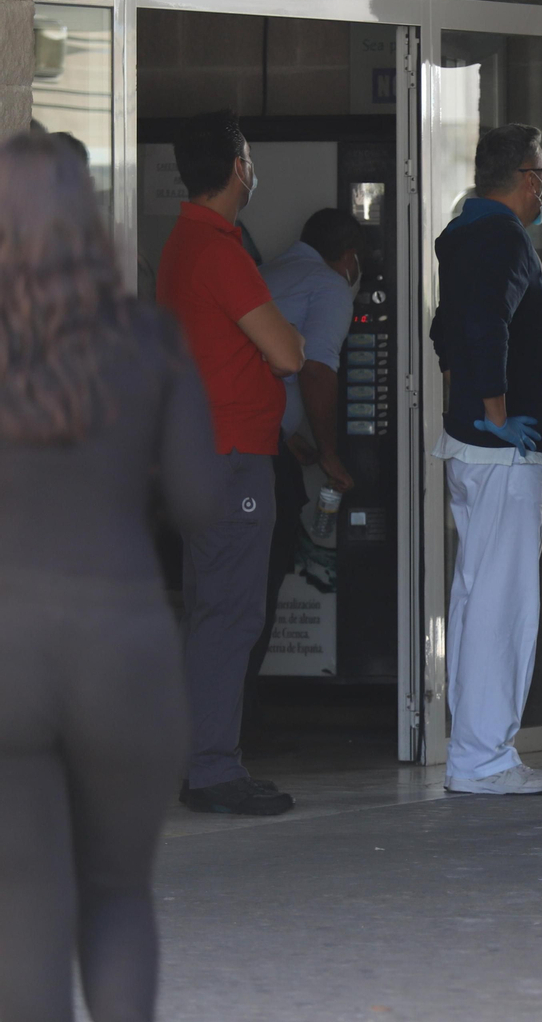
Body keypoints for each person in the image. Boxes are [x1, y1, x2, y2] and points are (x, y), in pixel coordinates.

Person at [0, 133, 224, 1022]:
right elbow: (203, 499)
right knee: (119, 894)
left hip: (8, 652)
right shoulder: (148, 339)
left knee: (22, 904)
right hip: (125, 651)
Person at [159, 110, 304, 816]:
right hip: (232, 456)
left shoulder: (182, 243)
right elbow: (287, 352)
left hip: (197, 453)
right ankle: (213, 768)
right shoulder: (221, 251)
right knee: (229, 615)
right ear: (240, 167)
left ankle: (199, 760)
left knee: (208, 612)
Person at [428, 123, 542, 795]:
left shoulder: (462, 234)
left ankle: (477, 751)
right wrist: (500, 416)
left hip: (476, 448)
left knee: (479, 596)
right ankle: (483, 757)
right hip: (504, 457)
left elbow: (443, 330)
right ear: (527, 177)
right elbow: (482, 327)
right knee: (501, 607)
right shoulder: (502, 237)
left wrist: (474, 409)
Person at [244, 208, 365, 731]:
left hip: (244, 442)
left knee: (231, 590)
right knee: (258, 587)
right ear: (349, 257)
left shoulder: (267, 272)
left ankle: (228, 718)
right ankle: (238, 724)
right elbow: (316, 371)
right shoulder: (330, 285)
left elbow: (257, 366)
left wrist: (289, 433)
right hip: (256, 456)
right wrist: (331, 452)